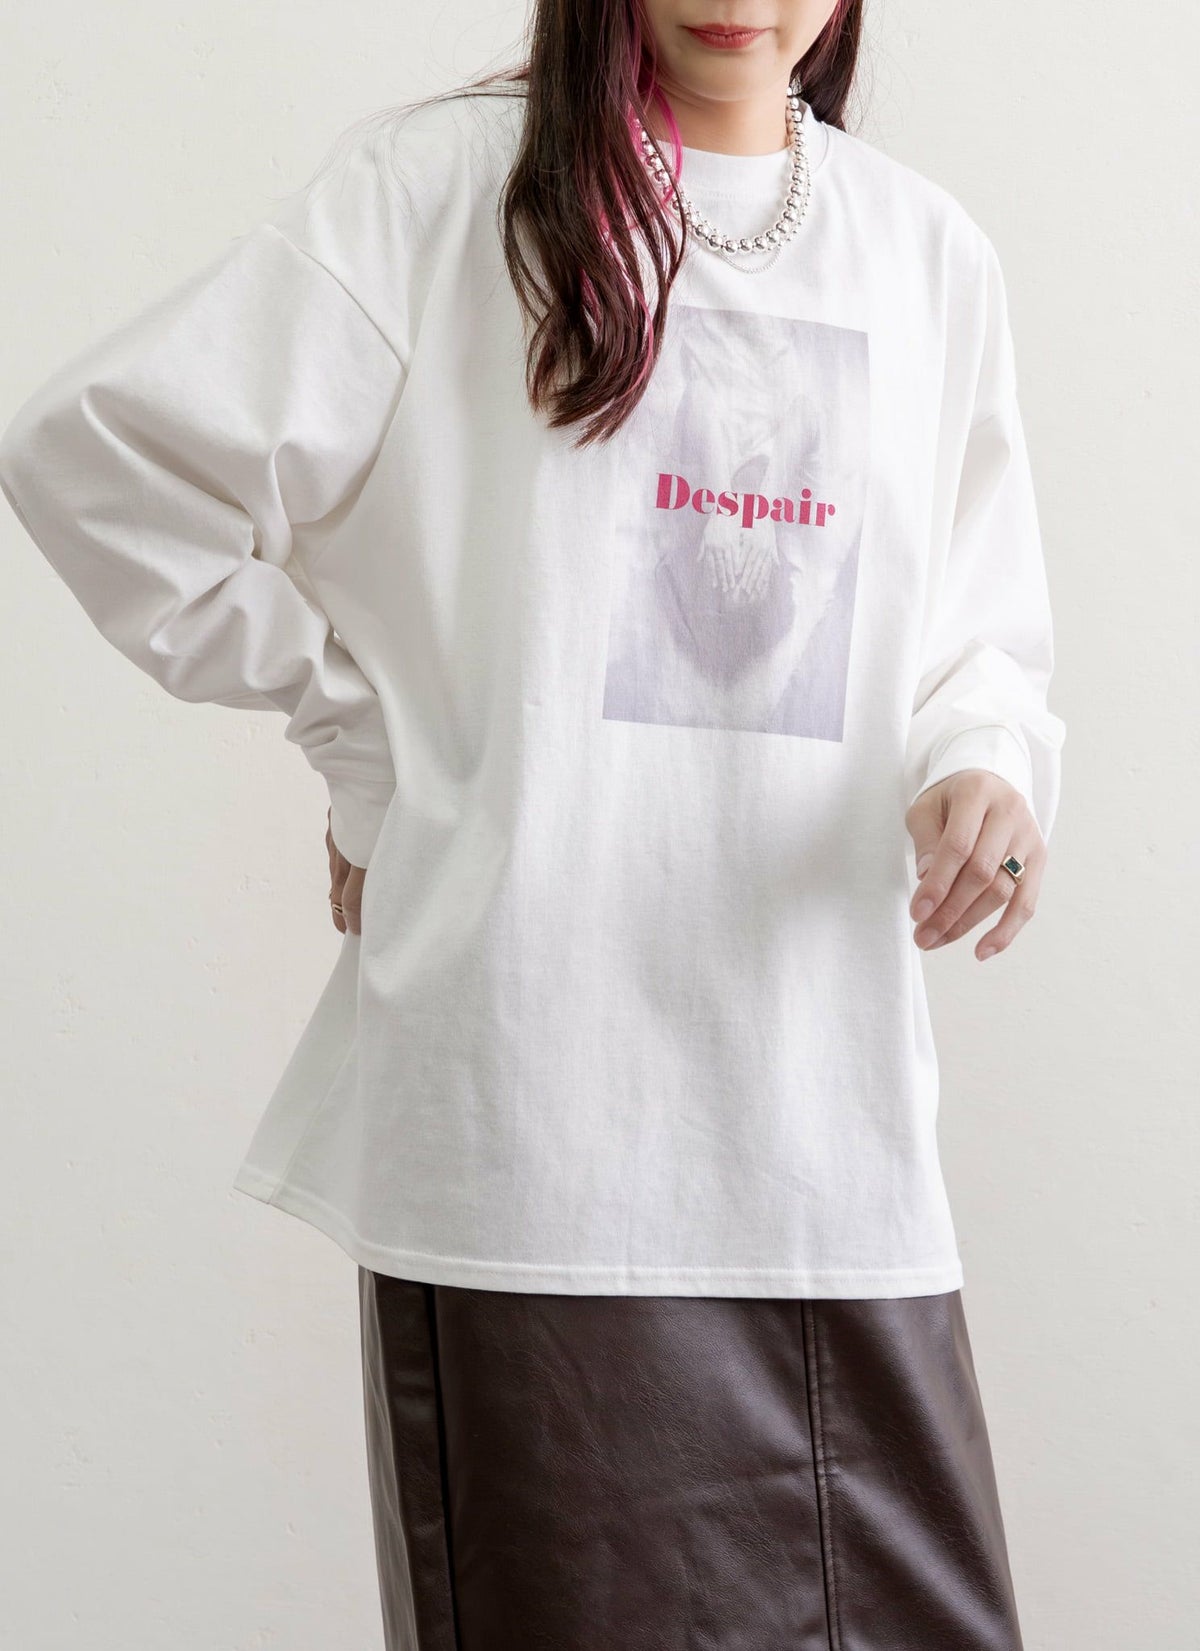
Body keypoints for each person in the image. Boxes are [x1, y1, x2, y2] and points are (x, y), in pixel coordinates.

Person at [0, 1, 1066, 1645]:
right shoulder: (444, 195)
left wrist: (985, 763)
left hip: (828, 1135)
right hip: (539, 1147)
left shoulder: (925, 254)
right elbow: (101, 461)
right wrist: (364, 746)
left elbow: (974, 640)